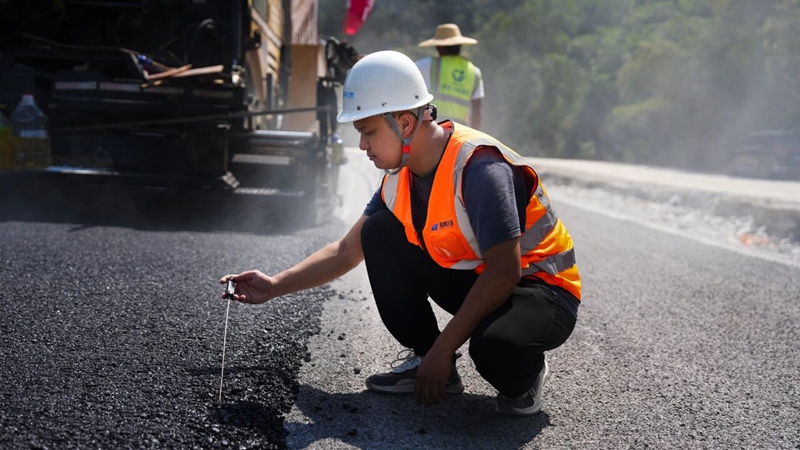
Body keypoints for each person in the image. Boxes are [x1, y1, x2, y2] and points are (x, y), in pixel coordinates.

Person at [221, 50, 581, 416]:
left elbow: (505, 271)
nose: (362, 146)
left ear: (405, 123)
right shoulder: (399, 178)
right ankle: (430, 362)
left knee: (495, 350)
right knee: (378, 231)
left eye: (368, 133)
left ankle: (527, 370)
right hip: (482, 279)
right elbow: (346, 251)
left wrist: (444, 348)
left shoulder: (480, 168)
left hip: (541, 289)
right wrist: (274, 286)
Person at [415, 23, 484, 129]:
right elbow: (477, 110)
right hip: (459, 131)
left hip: (434, 128)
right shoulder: (474, 72)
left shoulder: (429, 64)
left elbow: (406, 75)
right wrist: (474, 135)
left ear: (440, 47)